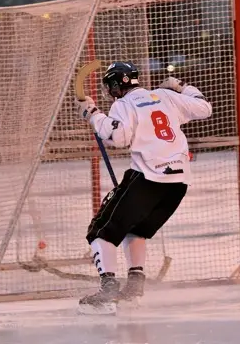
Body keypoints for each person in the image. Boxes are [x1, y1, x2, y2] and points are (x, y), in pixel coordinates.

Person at [74, 61, 212, 314]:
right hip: (178, 182)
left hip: (149, 177)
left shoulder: (123, 104)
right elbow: (205, 108)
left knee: (99, 231)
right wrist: (181, 86)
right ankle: (134, 289)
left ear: (116, 85)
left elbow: (118, 138)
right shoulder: (166, 96)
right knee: (137, 230)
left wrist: (93, 113)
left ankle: (108, 292)